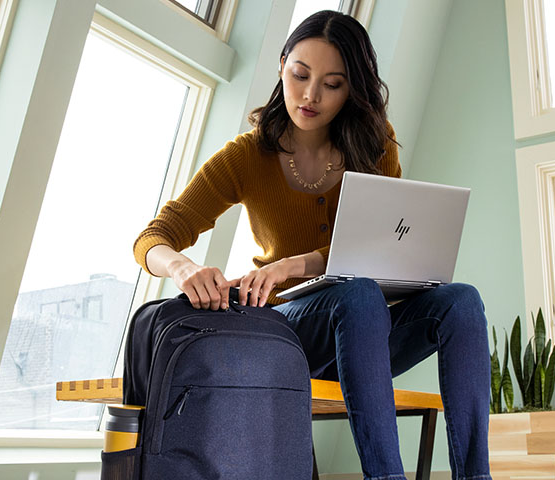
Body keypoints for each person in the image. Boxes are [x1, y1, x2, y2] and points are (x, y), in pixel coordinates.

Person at [133, 10, 490, 480]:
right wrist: (183, 269)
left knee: (461, 300)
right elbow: (152, 239)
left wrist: (293, 263)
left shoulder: (376, 148)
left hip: (366, 332)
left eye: (333, 83)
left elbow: (380, 255)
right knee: (357, 293)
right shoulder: (246, 156)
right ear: (282, 65)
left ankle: (475, 475)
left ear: (353, 89)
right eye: (300, 74)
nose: (310, 95)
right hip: (288, 332)